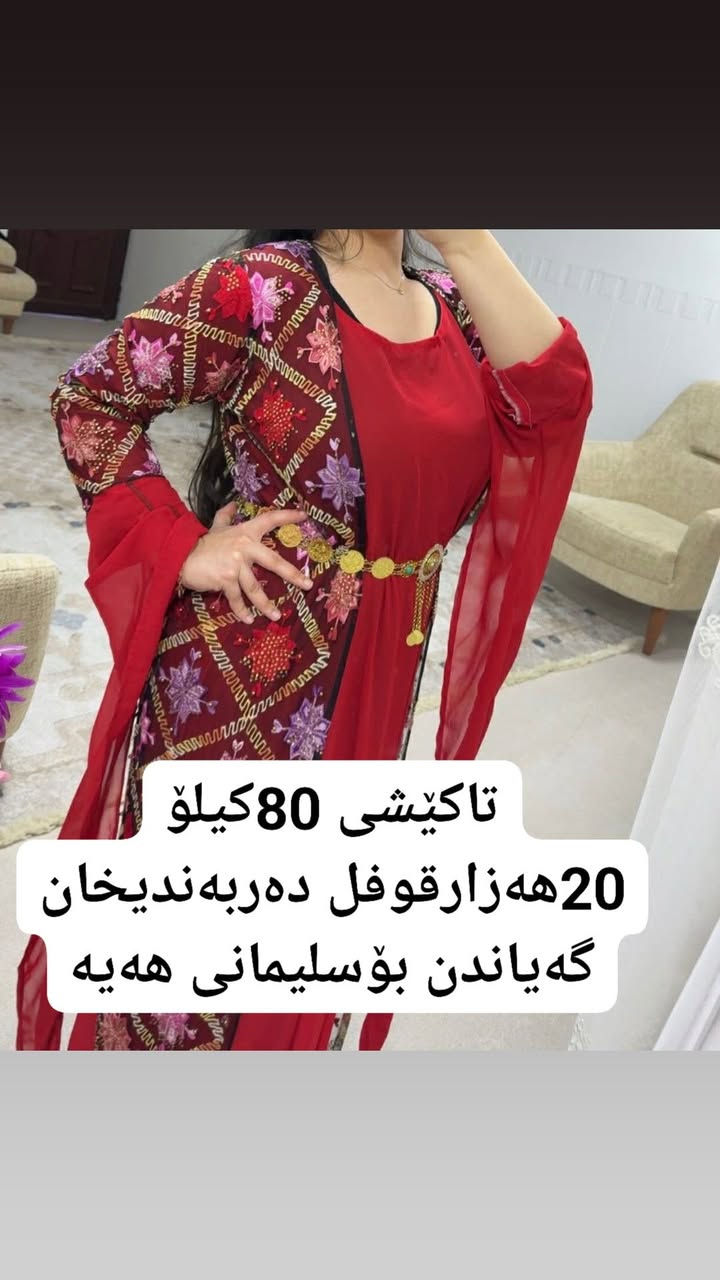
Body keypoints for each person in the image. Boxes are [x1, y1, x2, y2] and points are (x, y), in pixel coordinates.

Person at [16, 229, 593, 1051]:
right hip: (242, 680)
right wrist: (180, 542)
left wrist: (468, 242)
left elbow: (557, 403)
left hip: (379, 675)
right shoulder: (260, 288)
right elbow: (90, 397)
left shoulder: (459, 309)